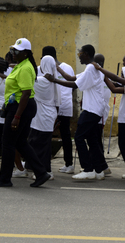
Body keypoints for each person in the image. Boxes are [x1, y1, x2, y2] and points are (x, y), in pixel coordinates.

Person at [0, 38, 50, 188]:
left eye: (17, 51)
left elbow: (25, 93)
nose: (13, 53)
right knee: (20, 142)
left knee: (8, 143)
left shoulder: (25, 68)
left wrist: (16, 116)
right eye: (12, 50)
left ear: (26, 53)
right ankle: (41, 173)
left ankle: (4, 178)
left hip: (20, 107)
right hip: (19, 106)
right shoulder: (21, 65)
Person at [45, 44, 107, 180]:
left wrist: (54, 80)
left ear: (86, 54)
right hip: (95, 109)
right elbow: (71, 78)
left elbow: (74, 85)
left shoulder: (91, 68)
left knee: (78, 137)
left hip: (91, 109)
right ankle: (99, 170)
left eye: (80, 54)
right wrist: (57, 67)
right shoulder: (91, 68)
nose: (78, 57)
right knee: (92, 139)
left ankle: (88, 169)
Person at [40, 46, 76, 174]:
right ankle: (69, 164)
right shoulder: (68, 67)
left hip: (50, 106)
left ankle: (45, 165)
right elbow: (73, 86)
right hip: (66, 105)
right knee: (66, 135)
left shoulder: (43, 68)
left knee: (46, 135)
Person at [28, 55, 60, 180]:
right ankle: (45, 170)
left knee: (38, 144)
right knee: (44, 145)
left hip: (41, 116)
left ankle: (42, 171)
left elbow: (26, 84)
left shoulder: (41, 81)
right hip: (50, 115)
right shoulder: (54, 80)